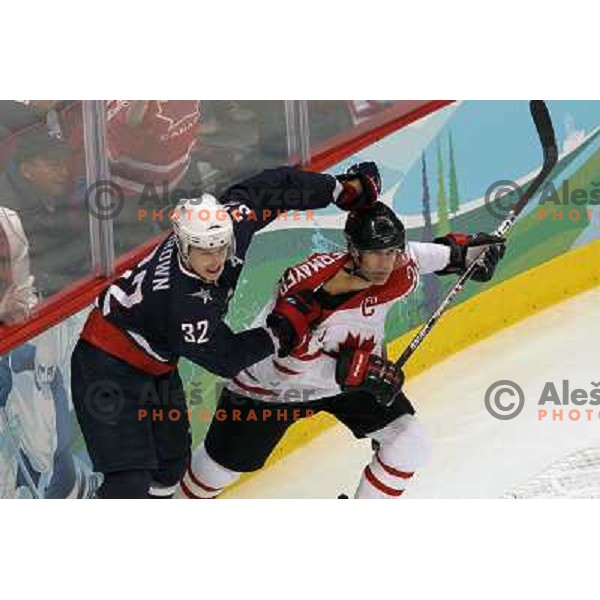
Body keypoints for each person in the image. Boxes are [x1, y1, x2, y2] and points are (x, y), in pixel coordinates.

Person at [70, 162, 383, 499]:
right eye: (204, 250)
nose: (216, 259)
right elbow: (226, 359)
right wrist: (281, 330)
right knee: (127, 484)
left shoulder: (230, 226)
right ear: (183, 244)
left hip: (156, 363)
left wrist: (337, 190)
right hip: (106, 367)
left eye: (221, 246)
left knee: (172, 464)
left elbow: (271, 187)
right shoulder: (184, 303)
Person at [177, 202, 505, 499]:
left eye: (391, 252)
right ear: (353, 251)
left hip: (348, 378)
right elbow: (284, 365)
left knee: (409, 442)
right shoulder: (308, 290)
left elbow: (416, 256)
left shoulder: (395, 266)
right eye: (375, 253)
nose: (384, 263)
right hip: (270, 388)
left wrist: (461, 255)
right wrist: (355, 371)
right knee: (217, 471)